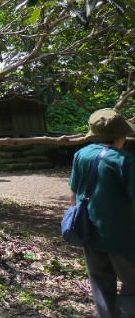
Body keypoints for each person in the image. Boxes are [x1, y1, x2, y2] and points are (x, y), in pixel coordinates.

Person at [69, 108, 135, 318]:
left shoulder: (81, 154)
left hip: (89, 231)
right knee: (132, 284)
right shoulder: (124, 160)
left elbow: (74, 193)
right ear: (121, 135)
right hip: (121, 236)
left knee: (100, 283)